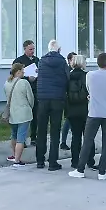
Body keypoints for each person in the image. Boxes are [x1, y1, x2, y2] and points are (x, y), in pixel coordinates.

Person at [68, 52, 106, 180]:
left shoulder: (90, 75)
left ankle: (80, 169)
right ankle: (102, 172)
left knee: (88, 141)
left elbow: (89, 90)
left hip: (94, 111)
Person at [35, 39, 70, 170]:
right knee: (55, 131)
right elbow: (67, 78)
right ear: (59, 50)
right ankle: (53, 162)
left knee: (41, 130)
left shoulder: (42, 61)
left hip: (43, 99)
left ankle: (40, 160)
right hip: (57, 98)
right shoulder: (62, 61)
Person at [4, 63, 34, 167]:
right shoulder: (24, 83)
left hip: (12, 113)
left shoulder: (7, 83)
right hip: (24, 113)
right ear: (17, 72)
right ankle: (17, 160)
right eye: (22, 70)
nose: (24, 72)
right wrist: (30, 107)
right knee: (21, 138)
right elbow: (30, 98)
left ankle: (14, 155)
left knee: (14, 135)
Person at [64, 53, 89, 169]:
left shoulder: (68, 76)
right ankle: (90, 160)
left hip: (72, 110)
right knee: (88, 136)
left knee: (75, 136)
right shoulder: (87, 76)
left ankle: (75, 161)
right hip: (85, 109)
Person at [12, 40, 39, 144]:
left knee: (35, 114)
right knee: (23, 116)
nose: (32, 51)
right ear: (25, 49)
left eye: (33, 49)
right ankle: (21, 140)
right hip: (22, 90)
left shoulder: (37, 60)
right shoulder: (19, 61)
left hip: (35, 89)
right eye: (30, 49)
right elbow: (14, 75)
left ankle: (34, 137)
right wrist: (28, 78)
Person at [59, 51, 77, 150]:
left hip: (72, 97)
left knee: (70, 120)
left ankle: (64, 141)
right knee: (68, 120)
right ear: (69, 60)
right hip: (68, 98)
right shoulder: (68, 70)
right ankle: (63, 141)